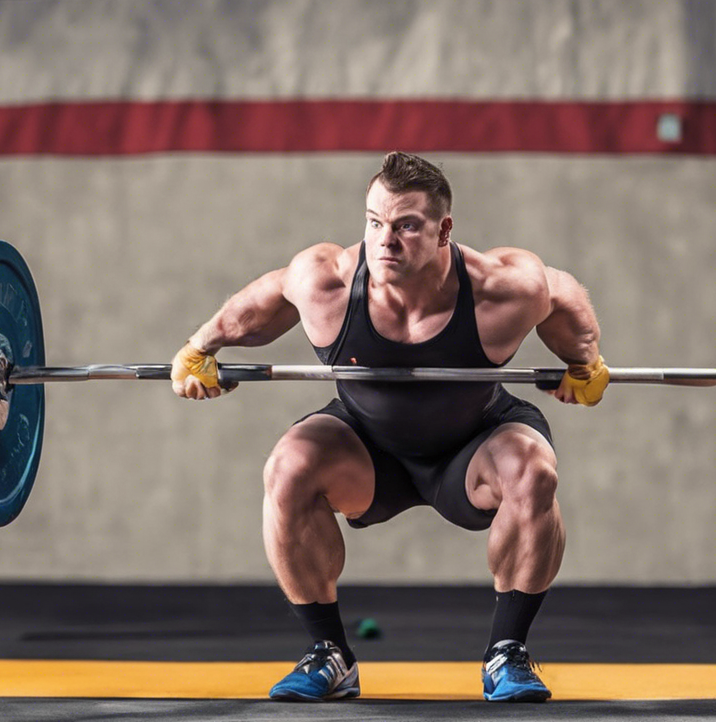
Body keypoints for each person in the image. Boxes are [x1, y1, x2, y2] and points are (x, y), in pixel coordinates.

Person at [171, 152, 606, 702]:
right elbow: (262, 302)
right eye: (375, 222)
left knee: (533, 468)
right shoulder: (327, 281)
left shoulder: (501, 289)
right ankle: (328, 654)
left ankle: (507, 654)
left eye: (406, 226)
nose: (385, 241)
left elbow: (561, 292)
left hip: (473, 445)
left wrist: (584, 360)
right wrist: (199, 348)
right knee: (288, 466)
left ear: (444, 229)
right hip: (367, 448)